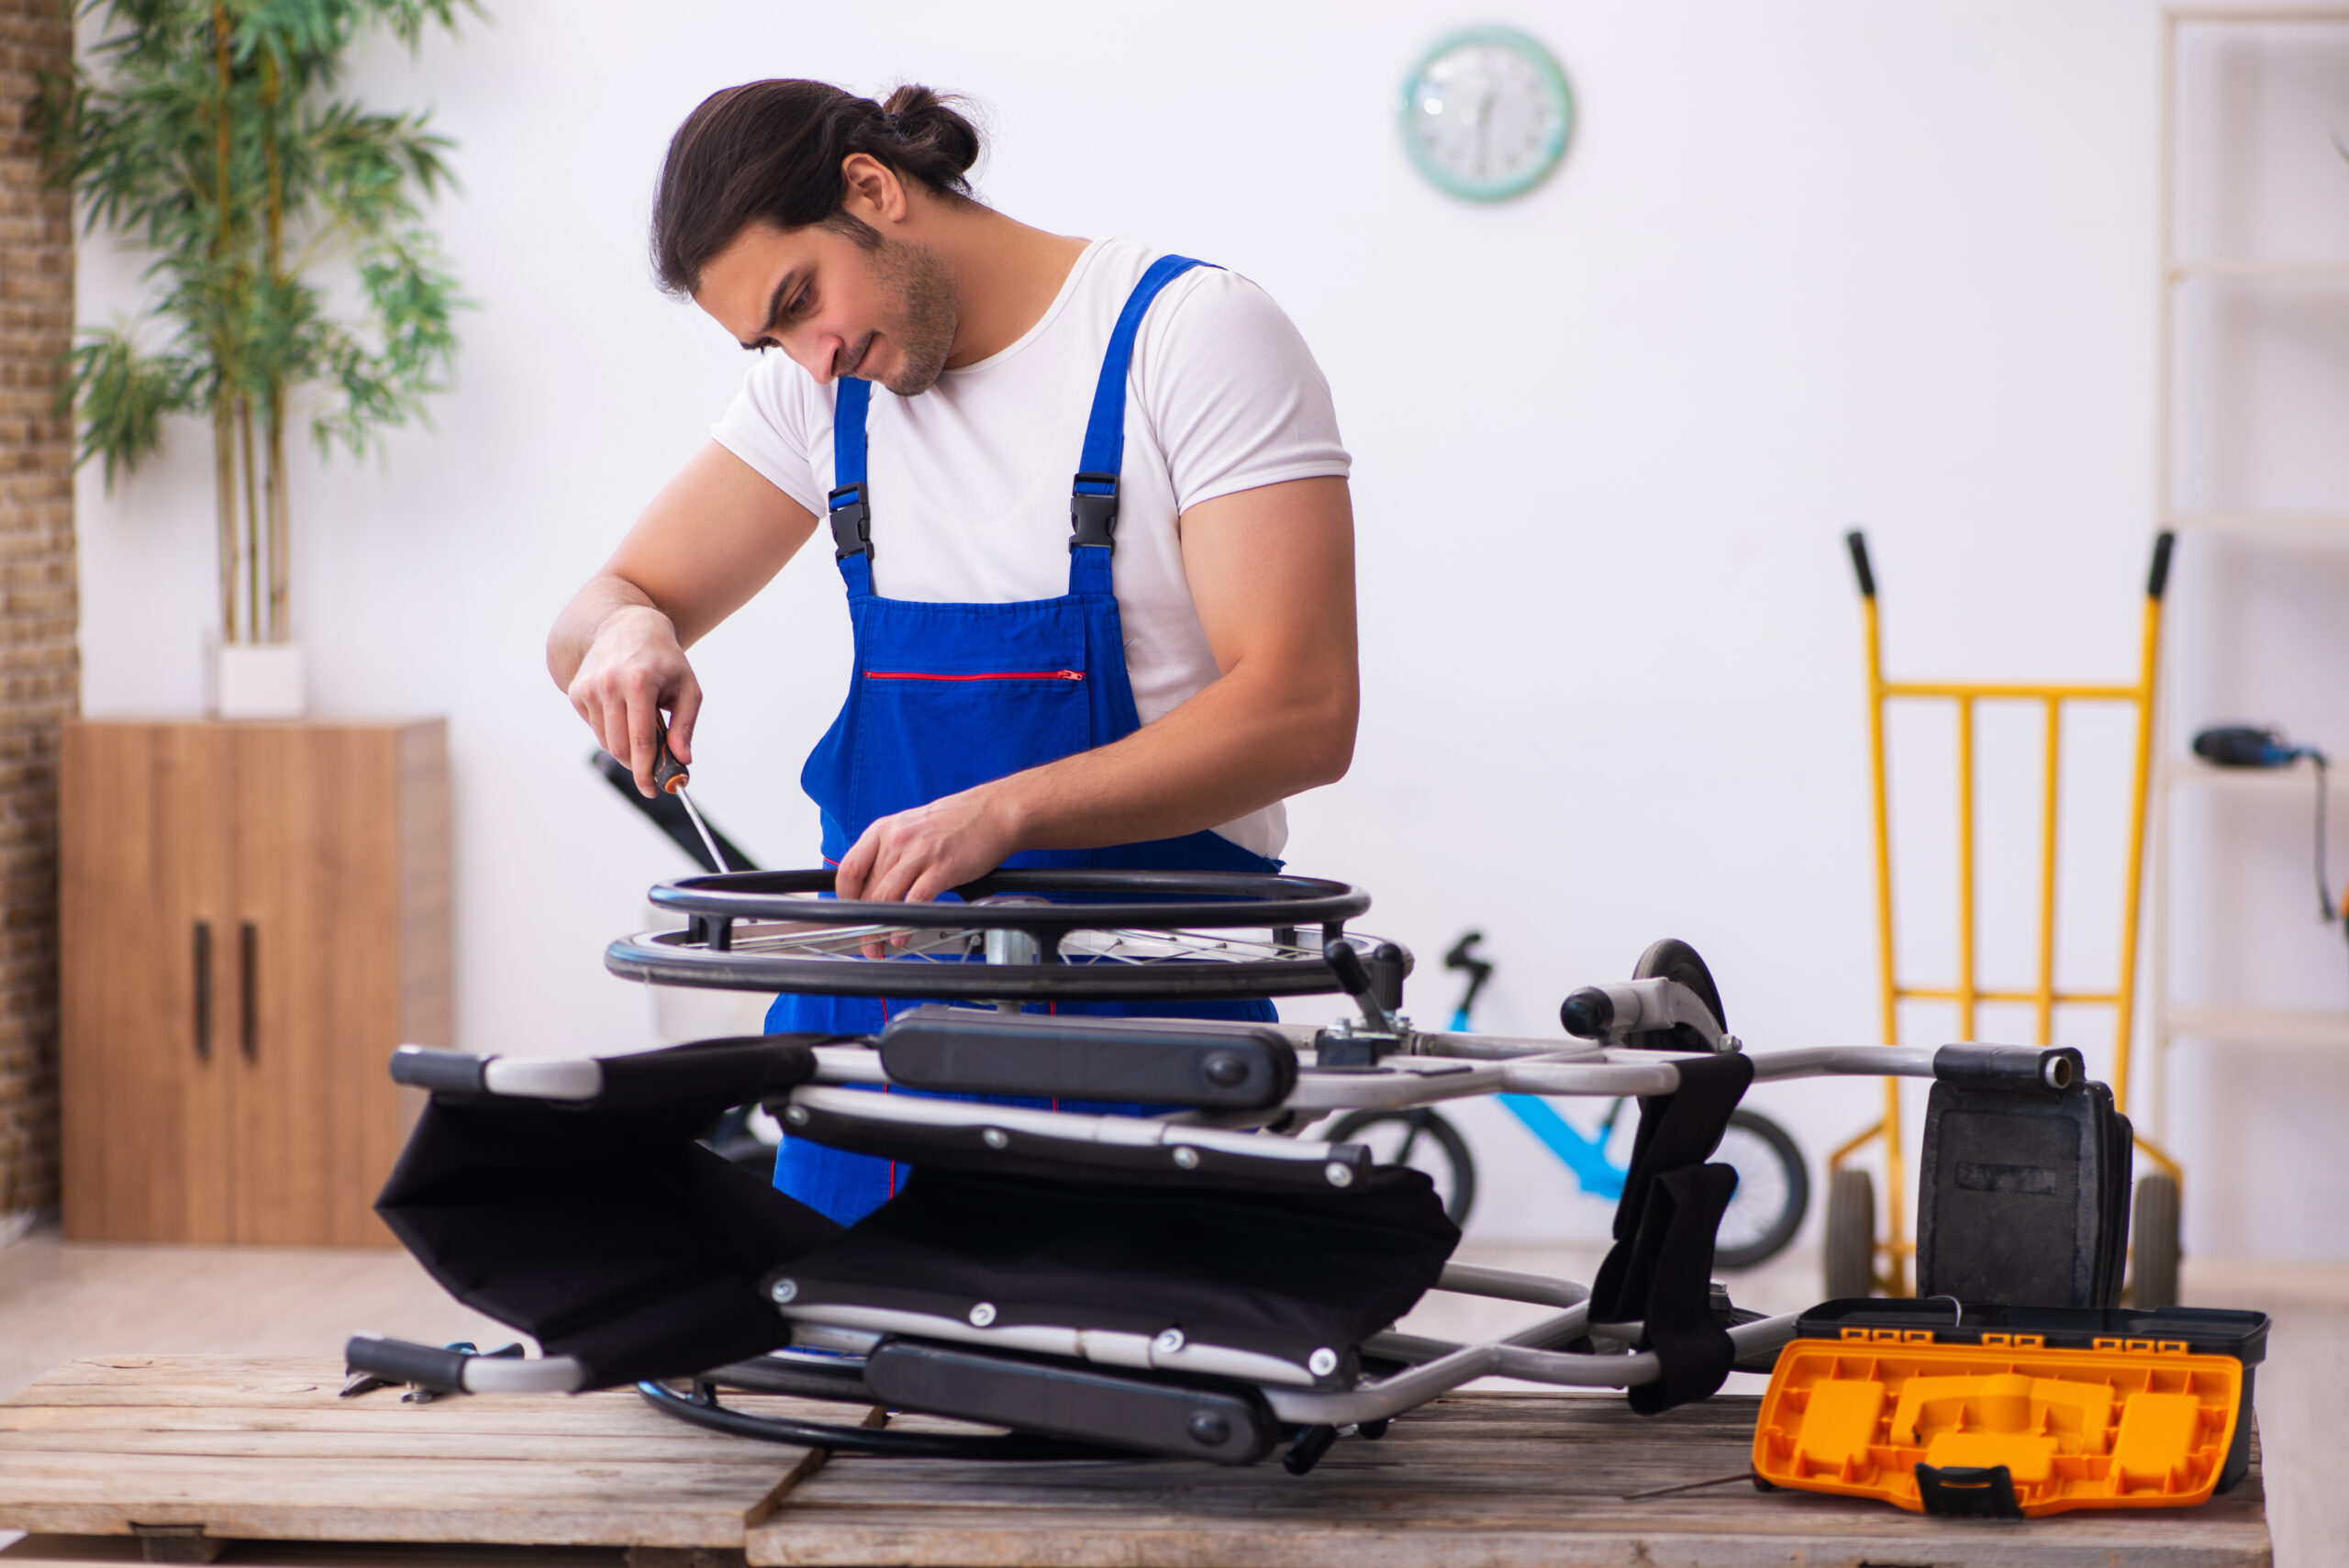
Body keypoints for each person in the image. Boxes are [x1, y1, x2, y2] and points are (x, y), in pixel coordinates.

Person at [547, 80, 1359, 1224]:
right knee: (821, 1383)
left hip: (1147, 1032)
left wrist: (1000, 812)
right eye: (769, 336)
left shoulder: (1188, 336)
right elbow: (597, 607)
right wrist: (630, 628)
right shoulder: (818, 395)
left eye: (800, 300)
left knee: (1129, 1389)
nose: (808, 358)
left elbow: (1303, 709)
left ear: (874, 189)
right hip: (871, 1054)